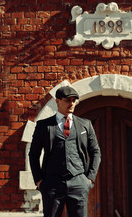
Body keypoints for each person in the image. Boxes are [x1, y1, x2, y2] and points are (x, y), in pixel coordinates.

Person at [29, 86, 101, 217]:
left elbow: (96, 152)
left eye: (74, 100)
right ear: (57, 101)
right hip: (52, 183)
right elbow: (33, 154)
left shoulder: (85, 124)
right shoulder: (44, 126)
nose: (72, 103)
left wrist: (89, 179)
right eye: (68, 100)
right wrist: (39, 181)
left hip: (78, 182)